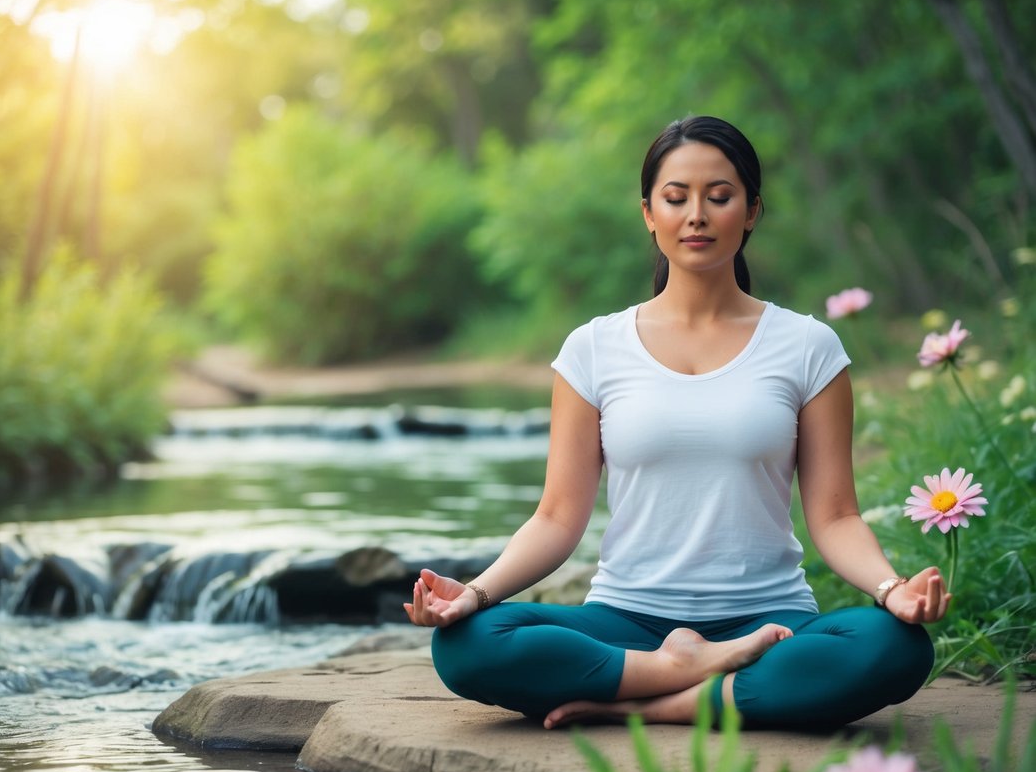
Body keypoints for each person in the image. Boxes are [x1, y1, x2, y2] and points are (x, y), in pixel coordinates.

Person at [403, 116, 947, 731]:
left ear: (751, 212)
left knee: (895, 645)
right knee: (466, 644)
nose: (697, 215)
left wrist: (891, 588)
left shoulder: (808, 346)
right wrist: (472, 595)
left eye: (719, 197)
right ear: (648, 214)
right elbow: (557, 516)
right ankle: (684, 674)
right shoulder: (593, 348)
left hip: (767, 620)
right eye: (676, 197)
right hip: (626, 619)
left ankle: (653, 702)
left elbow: (836, 516)